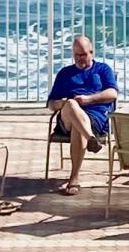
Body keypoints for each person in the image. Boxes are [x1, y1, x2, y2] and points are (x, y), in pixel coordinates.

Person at [44, 34, 118, 192]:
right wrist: (63, 103)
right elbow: (51, 104)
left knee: (79, 127)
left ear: (91, 52)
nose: (80, 58)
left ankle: (74, 179)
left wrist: (89, 99)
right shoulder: (65, 73)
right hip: (67, 119)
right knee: (71, 104)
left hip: (95, 118)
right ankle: (90, 139)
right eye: (77, 55)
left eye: (83, 54)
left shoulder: (103, 70)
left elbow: (112, 94)